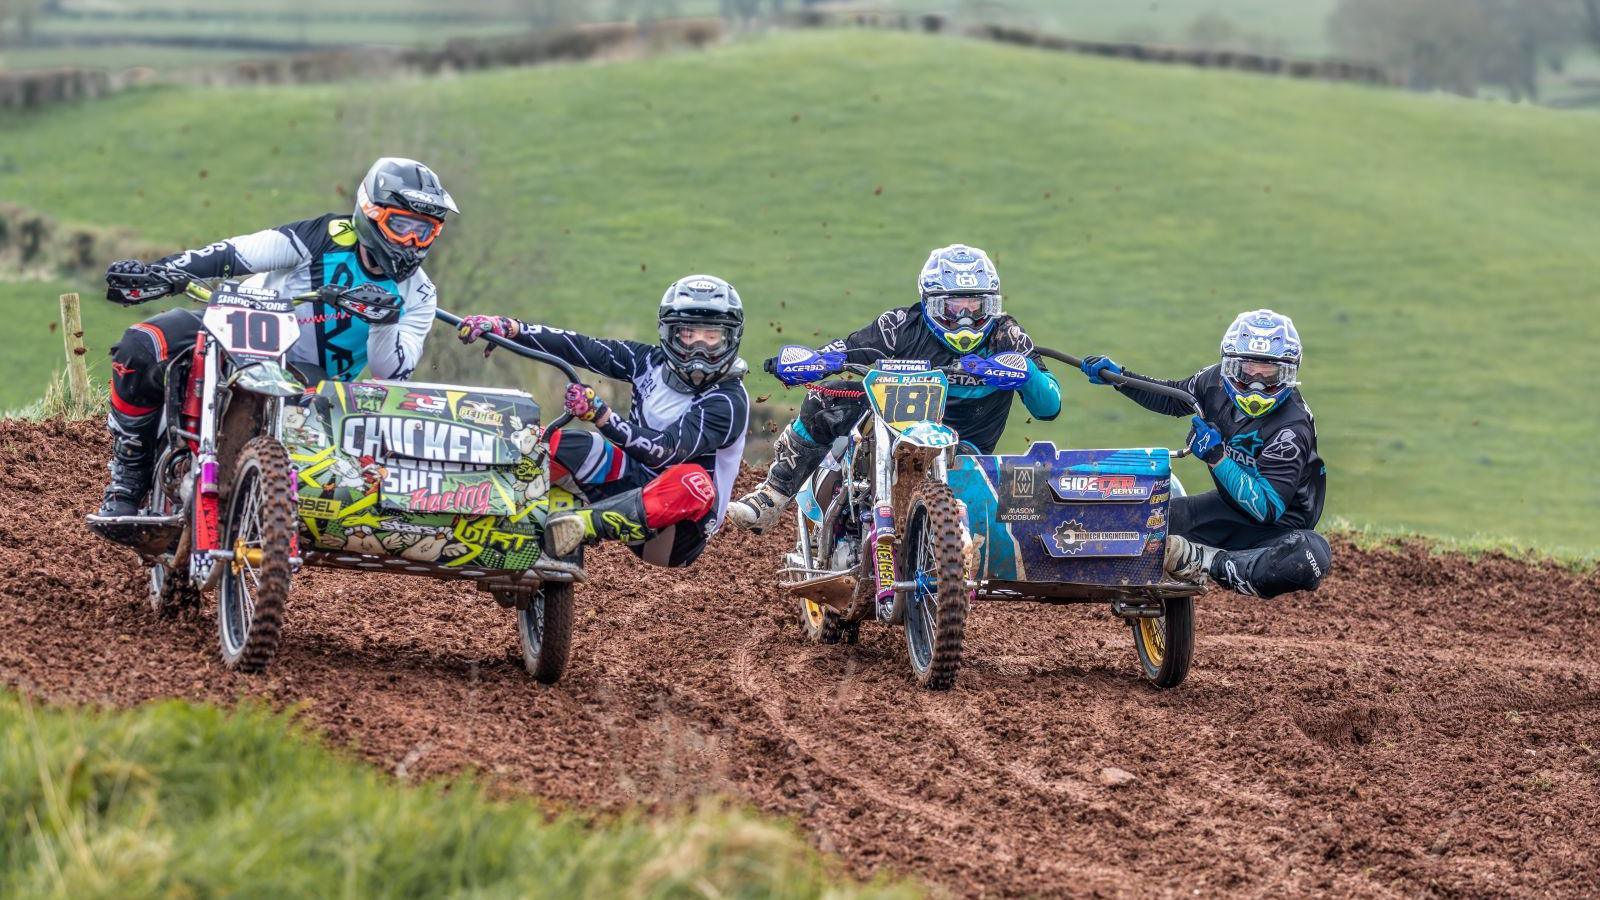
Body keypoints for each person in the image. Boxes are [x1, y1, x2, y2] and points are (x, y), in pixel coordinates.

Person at [95, 157, 457, 518]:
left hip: (312, 381)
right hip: (240, 323)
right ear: (370, 212)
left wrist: (385, 321)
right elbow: (239, 253)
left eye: (423, 232)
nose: (411, 243)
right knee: (143, 344)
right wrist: (159, 272)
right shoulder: (323, 237)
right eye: (402, 226)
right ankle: (129, 470)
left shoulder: (420, 294)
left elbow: (389, 375)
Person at [728, 243, 1061, 531]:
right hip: (896, 434)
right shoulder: (900, 326)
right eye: (953, 307)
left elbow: (1049, 407)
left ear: (991, 304)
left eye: (975, 306)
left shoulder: (1007, 336)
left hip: (967, 453)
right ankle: (774, 494)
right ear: (930, 302)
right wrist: (812, 361)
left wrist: (1027, 373)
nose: (965, 319)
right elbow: (846, 350)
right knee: (826, 399)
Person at [456, 275, 749, 567]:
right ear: (670, 334)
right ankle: (475, 505)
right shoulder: (648, 362)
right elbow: (582, 347)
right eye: (688, 334)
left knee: (693, 480)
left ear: (730, 338)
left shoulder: (728, 401)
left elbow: (666, 451)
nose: (700, 349)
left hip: (676, 533)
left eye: (711, 337)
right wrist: (511, 329)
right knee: (552, 442)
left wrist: (601, 415)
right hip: (632, 483)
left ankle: (580, 525)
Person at [1078, 309, 1331, 598]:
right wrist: (1120, 378)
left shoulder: (1292, 428)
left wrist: (1217, 458)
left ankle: (1205, 560)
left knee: (1310, 559)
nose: (1256, 384)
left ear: (1289, 373)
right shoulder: (1213, 381)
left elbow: (1266, 509)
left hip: (1280, 528)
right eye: (1247, 370)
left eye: (1269, 373)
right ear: (1230, 366)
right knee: (1144, 524)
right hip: (1227, 510)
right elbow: (1174, 398)